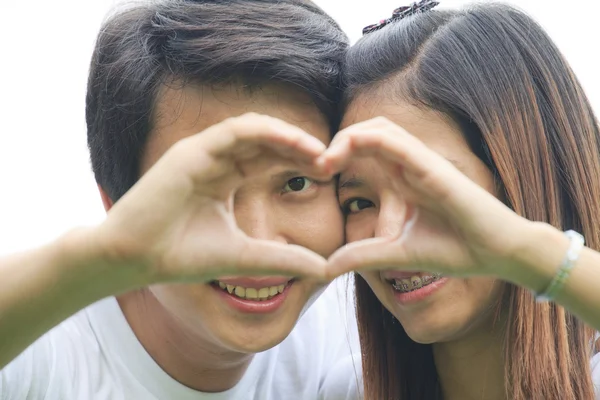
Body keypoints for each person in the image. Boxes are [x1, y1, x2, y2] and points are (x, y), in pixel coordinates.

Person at [0, 1, 360, 399]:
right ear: (114, 203)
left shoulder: (354, 354)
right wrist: (103, 255)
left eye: (296, 183)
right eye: (205, 187)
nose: (258, 244)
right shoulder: (37, 353)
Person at [318, 2, 600, 399]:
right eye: (360, 203)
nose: (387, 235)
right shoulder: (348, 391)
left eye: (431, 185)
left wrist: (530, 252)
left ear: (524, 172)